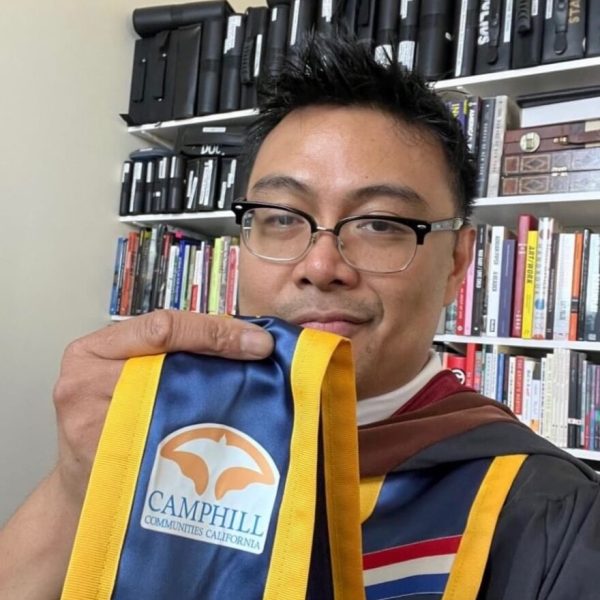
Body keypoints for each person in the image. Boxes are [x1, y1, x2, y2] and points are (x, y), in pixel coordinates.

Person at [1, 33, 599, 600]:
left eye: (381, 223)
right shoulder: (174, 436)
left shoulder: (548, 514)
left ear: (457, 264)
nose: (320, 265)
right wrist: (78, 481)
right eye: (283, 217)